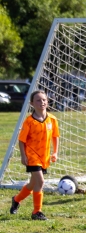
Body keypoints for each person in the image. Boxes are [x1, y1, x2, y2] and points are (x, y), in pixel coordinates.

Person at [9, 91, 59, 220]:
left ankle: (16, 199)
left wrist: (55, 152)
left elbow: (55, 136)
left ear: (47, 102)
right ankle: (37, 212)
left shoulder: (52, 119)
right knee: (41, 181)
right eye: (38, 100)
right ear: (32, 103)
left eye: (44, 100)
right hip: (32, 155)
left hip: (44, 156)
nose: (42, 102)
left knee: (33, 183)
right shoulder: (29, 121)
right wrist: (23, 155)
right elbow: (22, 140)